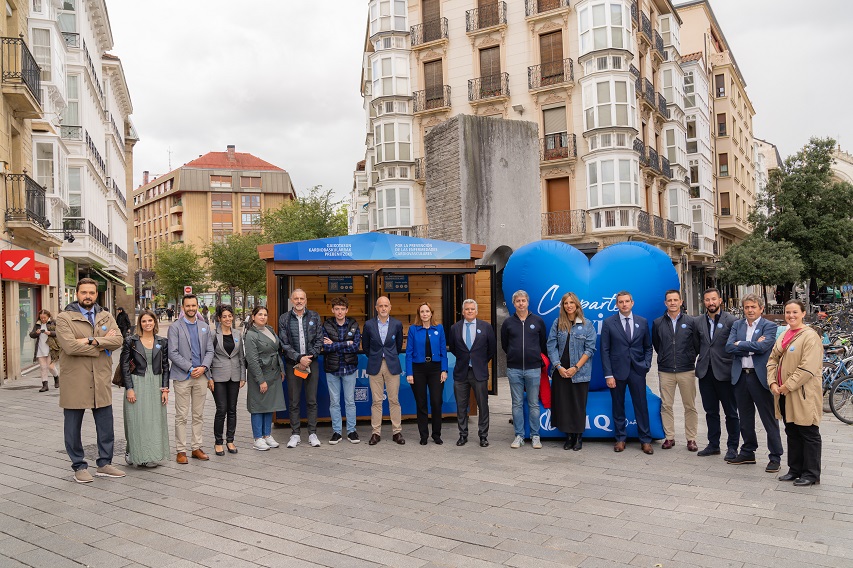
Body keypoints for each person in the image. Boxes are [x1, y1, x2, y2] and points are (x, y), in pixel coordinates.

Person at [54, 278, 126, 483]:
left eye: (91, 293)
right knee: (72, 426)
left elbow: (118, 340)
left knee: (106, 425)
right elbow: (69, 347)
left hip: (101, 378)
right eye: (84, 292)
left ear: (96, 294)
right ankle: (79, 465)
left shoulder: (105, 316)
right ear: (77, 294)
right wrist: (102, 347)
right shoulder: (64, 318)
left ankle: (104, 463)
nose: (88, 296)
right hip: (75, 380)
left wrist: (92, 340)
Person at [767, 299, 823, 486]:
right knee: (792, 431)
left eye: (795, 312)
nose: (791, 316)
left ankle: (811, 474)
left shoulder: (810, 336)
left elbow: (807, 368)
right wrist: (773, 382)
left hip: (802, 393)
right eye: (788, 312)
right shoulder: (783, 335)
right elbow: (772, 360)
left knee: (808, 432)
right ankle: (795, 469)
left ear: (803, 314)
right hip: (783, 394)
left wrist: (787, 385)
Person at [726, 293, 781, 472]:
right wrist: (750, 346)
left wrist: (740, 344)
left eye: (753, 307)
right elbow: (728, 347)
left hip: (760, 379)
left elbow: (763, 347)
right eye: (747, 307)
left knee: (768, 419)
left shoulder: (770, 326)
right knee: (745, 419)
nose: (750, 310)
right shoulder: (737, 324)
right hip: (741, 377)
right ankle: (748, 451)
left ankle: (775, 457)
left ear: (761, 309)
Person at [601, 291, 654, 455]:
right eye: (621, 302)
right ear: (616, 304)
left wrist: (646, 365)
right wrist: (608, 375)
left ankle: (645, 440)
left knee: (641, 405)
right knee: (618, 405)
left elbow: (648, 347)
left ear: (632, 303)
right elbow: (605, 350)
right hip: (617, 372)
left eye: (627, 301)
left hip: (637, 370)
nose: (624, 304)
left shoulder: (642, 322)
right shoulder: (609, 323)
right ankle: (620, 439)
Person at [546, 292, 596, 451]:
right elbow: (551, 345)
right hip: (561, 371)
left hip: (579, 371)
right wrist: (558, 366)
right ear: (563, 306)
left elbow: (590, 349)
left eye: (571, 303)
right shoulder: (557, 323)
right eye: (566, 303)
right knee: (564, 405)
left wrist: (575, 368)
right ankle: (568, 437)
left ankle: (578, 437)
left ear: (577, 305)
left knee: (578, 404)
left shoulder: (587, 324)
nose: (569, 306)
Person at [168, 294, 215, 464]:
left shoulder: (204, 326)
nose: (191, 309)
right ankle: (181, 450)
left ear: (198, 306)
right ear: (182, 308)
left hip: (201, 376)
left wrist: (203, 368)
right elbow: (172, 352)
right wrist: (190, 368)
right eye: (187, 306)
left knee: (198, 414)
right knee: (181, 415)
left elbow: (210, 351)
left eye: (193, 306)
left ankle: (196, 447)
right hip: (183, 376)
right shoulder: (175, 327)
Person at [120, 309, 170, 468]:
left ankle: (150, 455)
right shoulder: (131, 341)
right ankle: (134, 452)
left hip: (155, 383)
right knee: (136, 420)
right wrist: (129, 388)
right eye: (144, 321)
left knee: (153, 421)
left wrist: (165, 389)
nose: (147, 324)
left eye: (150, 321)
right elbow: (124, 365)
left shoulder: (162, 342)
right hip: (137, 382)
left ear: (155, 322)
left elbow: (165, 367)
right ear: (139, 324)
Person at [652, 290, 700, 451]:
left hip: (686, 369)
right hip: (665, 370)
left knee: (690, 405)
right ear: (665, 303)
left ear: (681, 302)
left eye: (675, 300)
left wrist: (688, 357)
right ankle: (669, 437)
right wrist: (665, 357)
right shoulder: (658, 323)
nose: (672, 303)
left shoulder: (691, 322)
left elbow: (696, 344)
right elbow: (657, 344)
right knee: (666, 405)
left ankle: (691, 439)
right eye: (669, 300)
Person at [694, 287, 740, 460]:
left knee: (731, 412)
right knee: (710, 412)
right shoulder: (698, 321)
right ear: (704, 302)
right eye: (707, 300)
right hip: (706, 373)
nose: (711, 303)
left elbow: (736, 346)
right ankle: (713, 445)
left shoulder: (732, 321)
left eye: (714, 299)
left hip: (725, 373)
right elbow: (697, 345)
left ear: (720, 300)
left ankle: (733, 447)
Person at [501, 290, 547, 449]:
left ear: (528, 302)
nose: (521, 303)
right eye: (518, 301)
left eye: (523, 300)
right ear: (513, 304)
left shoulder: (538, 321)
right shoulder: (508, 323)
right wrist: (515, 355)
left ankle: (535, 436)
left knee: (534, 404)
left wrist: (533, 357)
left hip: (533, 369)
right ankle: (519, 436)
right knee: (517, 403)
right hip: (514, 369)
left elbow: (542, 344)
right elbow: (504, 345)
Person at [278, 288, 323, 448]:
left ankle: (312, 433)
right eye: (296, 298)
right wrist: (299, 358)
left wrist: (308, 358)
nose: (298, 301)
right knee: (294, 401)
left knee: (312, 400)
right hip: (293, 364)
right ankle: (295, 434)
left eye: (301, 298)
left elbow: (319, 339)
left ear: (306, 300)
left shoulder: (314, 316)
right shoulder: (284, 318)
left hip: (312, 362)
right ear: (291, 299)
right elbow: (284, 343)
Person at [448, 299, 495, 447]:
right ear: (462, 312)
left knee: (483, 404)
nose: (469, 311)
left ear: (476, 311)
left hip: (479, 372)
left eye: (472, 309)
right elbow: (454, 349)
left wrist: (479, 362)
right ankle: (463, 435)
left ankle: (483, 435)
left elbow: (491, 349)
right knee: (461, 405)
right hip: (461, 372)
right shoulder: (455, 328)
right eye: (467, 309)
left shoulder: (486, 327)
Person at [361, 296, 405, 445]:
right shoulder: (368, 325)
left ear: (390, 307)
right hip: (375, 364)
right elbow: (365, 346)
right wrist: (375, 356)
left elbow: (398, 346)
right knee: (376, 401)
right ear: (376, 308)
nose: (383, 308)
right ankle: (376, 433)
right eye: (381, 306)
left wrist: (390, 356)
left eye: (386, 305)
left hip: (392, 364)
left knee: (394, 400)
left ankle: (397, 432)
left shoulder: (397, 324)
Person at [244, 306, 287, 451]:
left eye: (265, 314)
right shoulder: (251, 335)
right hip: (260, 374)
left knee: (269, 405)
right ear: (253, 316)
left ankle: (267, 435)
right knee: (258, 405)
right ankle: (257, 438)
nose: (263, 317)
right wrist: (260, 380)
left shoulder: (270, 329)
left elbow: (276, 351)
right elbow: (252, 360)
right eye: (260, 314)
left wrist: (281, 369)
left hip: (273, 373)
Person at [405, 302, 448, 445]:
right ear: (419, 314)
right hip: (418, 370)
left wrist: (444, 370)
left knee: (436, 402)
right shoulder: (413, 330)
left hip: (436, 369)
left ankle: (436, 435)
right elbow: (408, 353)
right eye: (422, 311)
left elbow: (443, 351)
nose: (424, 314)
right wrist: (409, 373)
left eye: (427, 311)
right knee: (421, 403)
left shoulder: (439, 328)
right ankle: (423, 435)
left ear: (431, 313)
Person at [322, 296, 361, 445]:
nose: (339, 312)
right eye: (337, 309)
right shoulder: (326, 325)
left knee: (350, 402)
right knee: (334, 402)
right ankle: (336, 432)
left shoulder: (354, 324)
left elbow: (355, 347)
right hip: (332, 369)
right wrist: (345, 343)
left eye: (342, 309)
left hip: (349, 368)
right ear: (332, 310)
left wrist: (337, 344)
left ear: (347, 310)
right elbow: (326, 347)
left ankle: (351, 431)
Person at [208, 305, 245, 456]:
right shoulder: (213, 335)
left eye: (230, 316)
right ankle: (218, 442)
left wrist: (243, 376)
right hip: (218, 377)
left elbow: (241, 357)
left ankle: (230, 440)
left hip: (235, 375)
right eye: (224, 316)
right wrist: (209, 377)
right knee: (221, 409)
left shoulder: (237, 333)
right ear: (219, 318)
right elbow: (208, 357)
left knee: (232, 409)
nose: (228, 319)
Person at [29, 309, 60, 392]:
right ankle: (45, 385)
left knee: (50, 367)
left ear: (48, 316)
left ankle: (56, 377)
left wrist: (50, 333)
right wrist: (36, 333)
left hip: (51, 348)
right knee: (43, 368)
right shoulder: (38, 324)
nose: (43, 319)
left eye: (44, 318)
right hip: (40, 348)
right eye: (41, 318)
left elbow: (59, 332)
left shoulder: (53, 322)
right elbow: (31, 335)